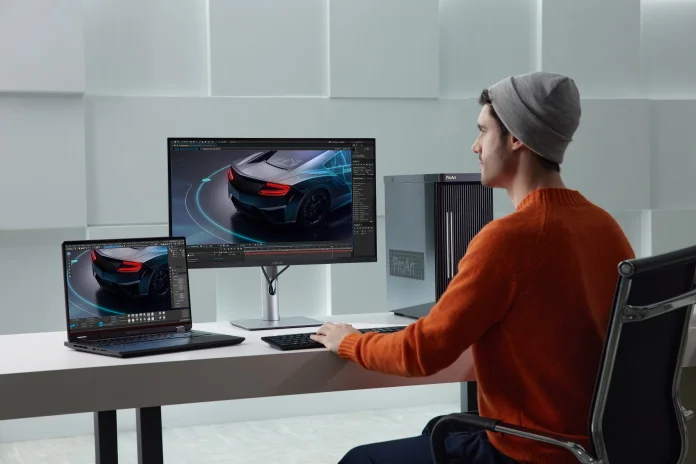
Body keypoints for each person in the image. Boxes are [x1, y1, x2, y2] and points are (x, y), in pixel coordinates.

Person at [310, 71, 636, 464]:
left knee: (360, 459)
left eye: (483, 131)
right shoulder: (603, 225)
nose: (475, 146)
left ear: (516, 138)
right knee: (441, 428)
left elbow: (420, 354)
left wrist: (349, 341)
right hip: (590, 446)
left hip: (529, 450)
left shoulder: (510, 238)